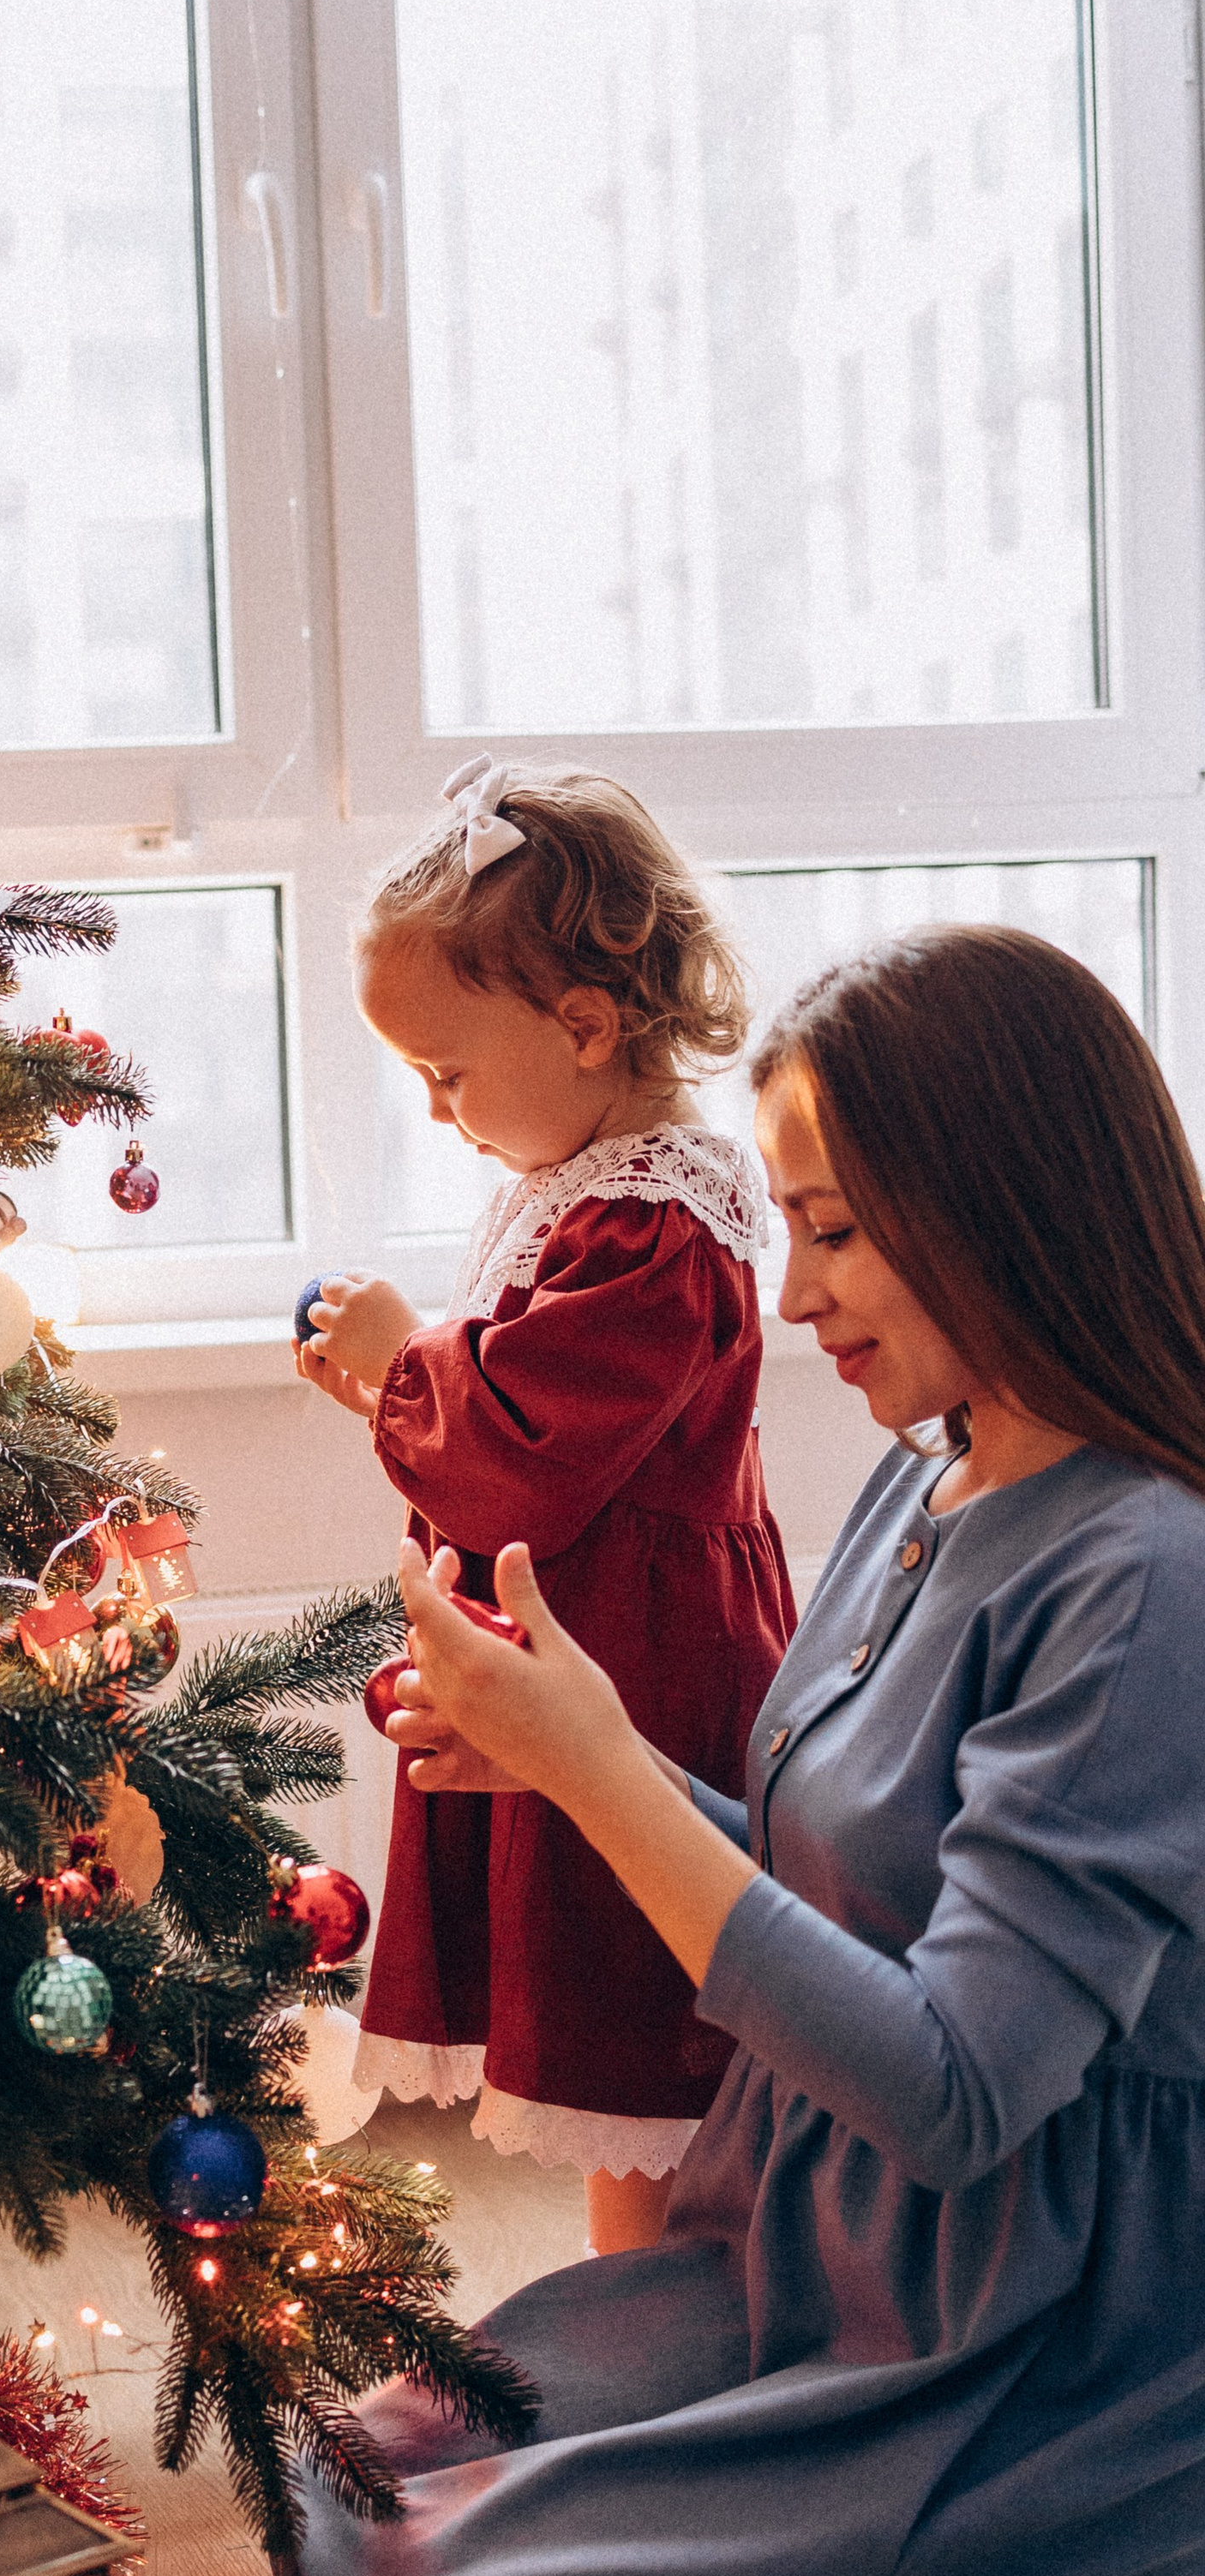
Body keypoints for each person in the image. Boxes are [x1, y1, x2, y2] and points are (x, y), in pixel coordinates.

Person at [298, 925, 1205, 2576]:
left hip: (1028, 2331)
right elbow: (833, 1872)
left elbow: (959, 2087)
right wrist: (571, 1754)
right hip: (804, 2238)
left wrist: (607, 1777)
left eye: (838, 1238)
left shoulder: (1141, 1573)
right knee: (353, 2466)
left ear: (1006, 1208)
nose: (790, 1299)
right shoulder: (934, 1461)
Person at [299, 758, 793, 2254]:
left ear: (584, 1025)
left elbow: (525, 1453)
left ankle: (648, 2317)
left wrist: (405, 1368)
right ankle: (635, 2302)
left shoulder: (658, 1221)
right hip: (568, 1668)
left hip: (635, 1683)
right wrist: (399, 1381)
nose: (440, 1111)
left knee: (634, 2035)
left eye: (448, 1073)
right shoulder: (581, 1188)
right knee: (589, 2025)